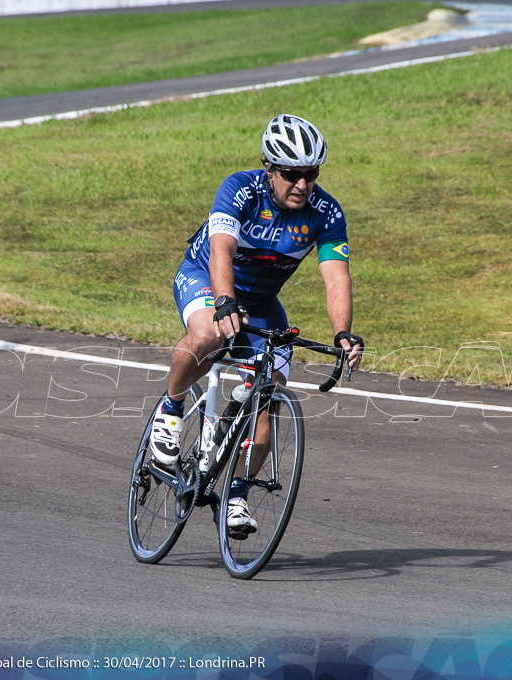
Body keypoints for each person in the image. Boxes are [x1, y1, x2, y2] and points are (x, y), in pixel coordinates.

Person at [151, 113, 364, 537]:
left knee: (268, 393)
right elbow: (221, 250)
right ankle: (171, 410)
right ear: (270, 169)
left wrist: (343, 333)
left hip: (263, 302)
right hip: (206, 276)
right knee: (210, 334)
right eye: (291, 174)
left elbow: (336, 275)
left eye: (311, 174)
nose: (302, 184)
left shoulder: (326, 213)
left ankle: (236, 493)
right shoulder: (240, 189)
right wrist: (225, 300)